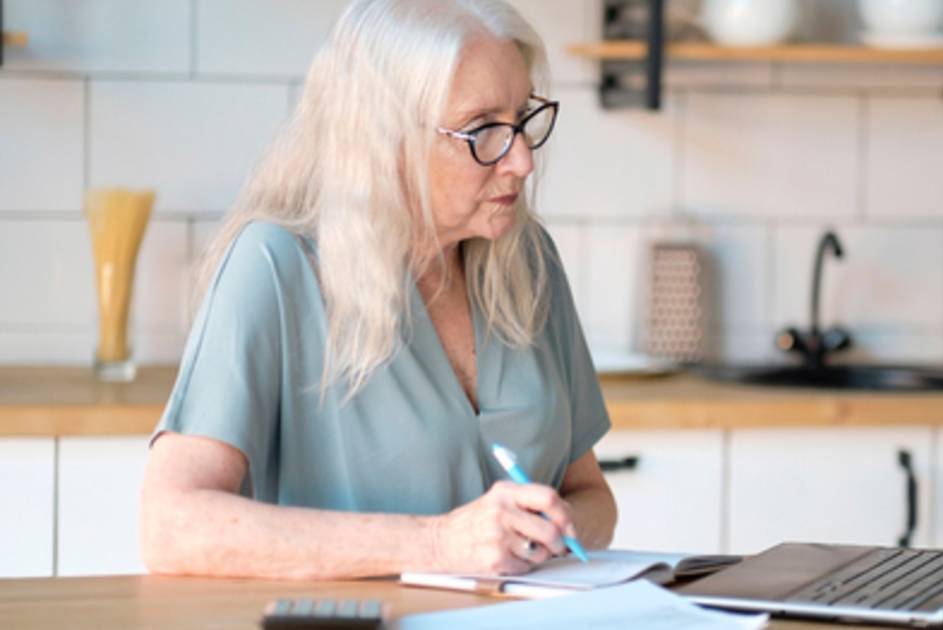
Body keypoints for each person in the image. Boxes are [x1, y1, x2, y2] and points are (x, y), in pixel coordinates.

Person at [139, 0, 617, 580]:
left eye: (522, 119)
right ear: (384, 139)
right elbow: (171, 524)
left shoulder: (529, 260)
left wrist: (549, 529)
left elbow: (591, 495)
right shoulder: (274, 264)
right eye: (484, 129)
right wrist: (440, 545)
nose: (521, 160)